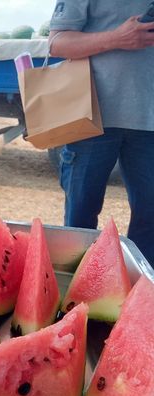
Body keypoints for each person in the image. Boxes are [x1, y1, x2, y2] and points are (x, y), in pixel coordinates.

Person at [49, 0, 154, 265]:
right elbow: (57, 43)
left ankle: (140, 297)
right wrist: (116, 38)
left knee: (150, 220)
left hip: (150, 123)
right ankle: (75, 294)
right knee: (80, 221)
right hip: (91, 119)